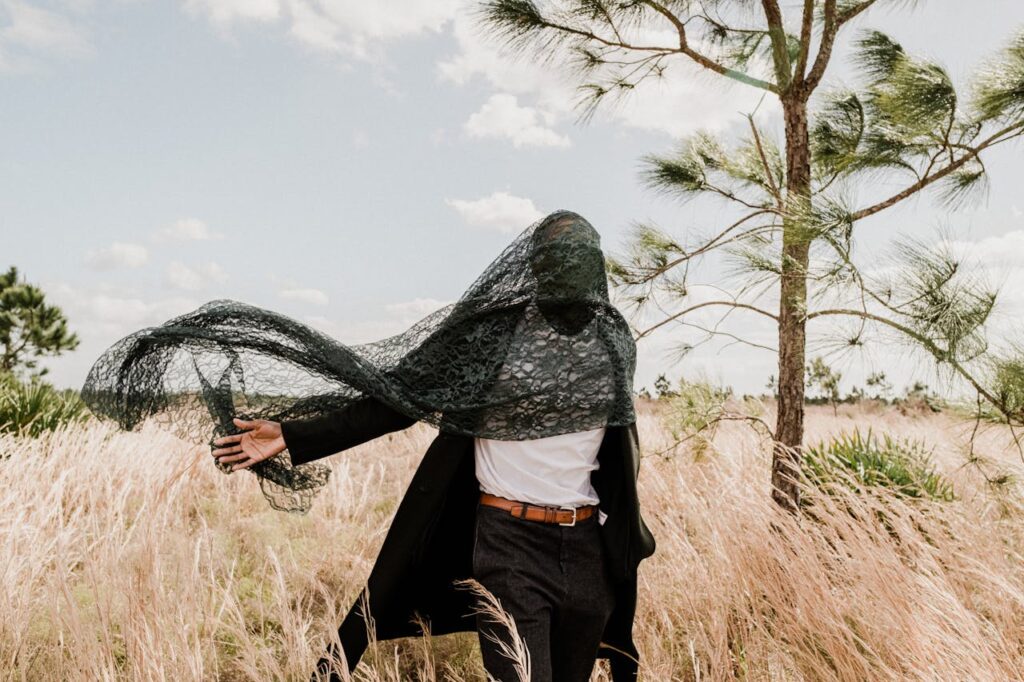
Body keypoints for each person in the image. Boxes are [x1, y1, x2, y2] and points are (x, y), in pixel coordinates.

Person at [85, 210, 655, 680]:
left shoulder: (611, 341)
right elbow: (393, 399)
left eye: (581, 258)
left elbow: (619, 450)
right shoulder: (490, 337)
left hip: (588, 547)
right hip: (510, 545)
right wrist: (292, 434)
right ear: (533, 266)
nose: (570, 271)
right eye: (559, 258)